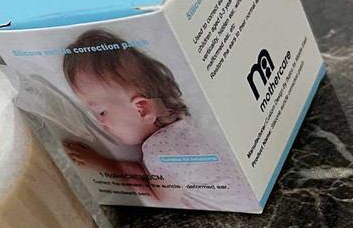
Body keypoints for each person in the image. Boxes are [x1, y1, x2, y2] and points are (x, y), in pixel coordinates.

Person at [62, 28, 247, 210]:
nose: (99, 121)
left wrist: (102, 163)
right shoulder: (183, 125)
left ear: (142, 109)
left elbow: (162, 200)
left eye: (101, 112)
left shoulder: (161, 152)